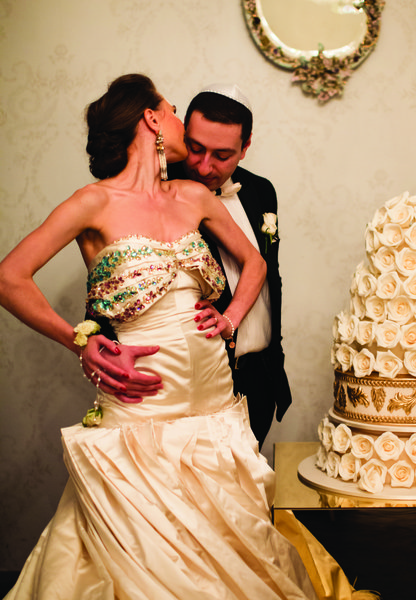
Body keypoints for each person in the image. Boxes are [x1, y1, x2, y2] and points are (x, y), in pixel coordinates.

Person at [0, 73, 317, 600]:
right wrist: (80, 341)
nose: (177, 116)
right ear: (151, 119)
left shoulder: (192, 194)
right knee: (149, 552)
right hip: (144, 400)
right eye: (171, 108)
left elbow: (255, 261)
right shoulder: (91, 203)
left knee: (230, 541)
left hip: (215, 401)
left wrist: (232, 316)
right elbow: (10, 277)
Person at [80, 84, 291, 447]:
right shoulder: (158, 191)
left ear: (246, 146)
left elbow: (262, 267)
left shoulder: (261, 192)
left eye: (222, 155)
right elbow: (118, 276)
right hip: (187, 378)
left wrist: (233, 318)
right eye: (195, 148)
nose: (203, 165)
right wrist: (89, 338)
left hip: (261, 377)